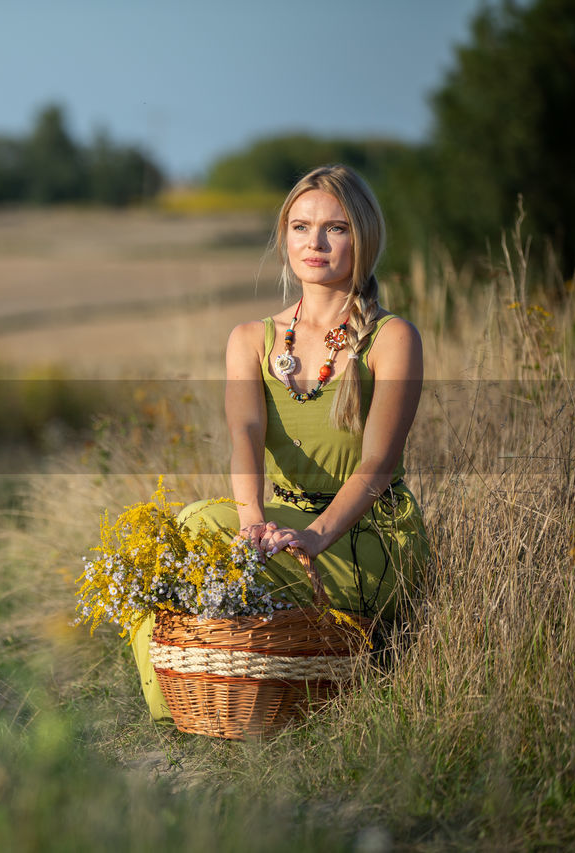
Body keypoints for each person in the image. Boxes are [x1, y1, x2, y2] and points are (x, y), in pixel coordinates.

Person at [130, 164, 429, 723]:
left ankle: (266, 688)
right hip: (284, 524)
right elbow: (244, 434)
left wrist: (313, 537)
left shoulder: (392, 340)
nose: (314, 242)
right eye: (300, 226)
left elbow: (379, 464)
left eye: (335, 228)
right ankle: (178, 701)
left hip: (370, 538)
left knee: (209, 552)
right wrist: (250, 525)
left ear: (363, 238)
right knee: (184, 527)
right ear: (283, 236)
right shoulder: (249, 340)